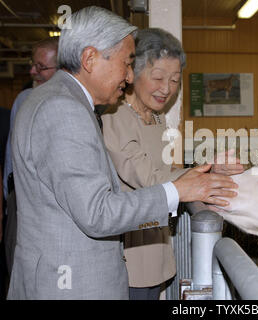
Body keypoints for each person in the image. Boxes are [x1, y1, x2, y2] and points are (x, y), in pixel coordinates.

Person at [7, 6, 237, 300]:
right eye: (126, 63)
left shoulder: (56, 99)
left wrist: (200, 175)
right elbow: (98, 213)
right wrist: (180, 191)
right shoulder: (63, 110)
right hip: (72, 284)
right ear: (90, 58)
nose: (128, 76)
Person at [102, 28, 244, 300]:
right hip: (129, 262)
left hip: (156, 255)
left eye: (175, 80)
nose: (166, 88)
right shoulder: (115, 117)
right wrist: (203, 179)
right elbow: (150, 179)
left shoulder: (156, 119)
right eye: (157, 77)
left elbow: (166, 174)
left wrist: (210, 169)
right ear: (132, 73)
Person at [3, 37, 58, 199]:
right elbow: (11, 155)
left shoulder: (78, 104)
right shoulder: (23, 100)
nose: (32, 72)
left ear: (62, 70)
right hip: (25, 197)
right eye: (33, 64)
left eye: (41, 67)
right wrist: (9, 195)